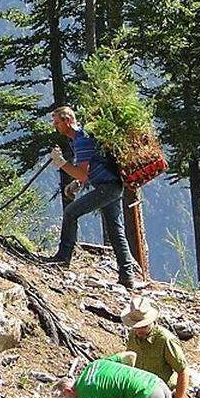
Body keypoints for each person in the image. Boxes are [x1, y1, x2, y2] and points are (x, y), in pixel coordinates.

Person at [44, 106, 142, 288]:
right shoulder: (79, 139)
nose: (55, 127)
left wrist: (61, 164)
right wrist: (77, 184)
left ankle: (63, 258)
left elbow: (83, 174)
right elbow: (90, 169)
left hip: (107, 188)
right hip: (113, 186)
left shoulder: (81, 140)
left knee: (71, 212)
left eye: (57, 123)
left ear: (67, 121)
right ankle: (127, 277)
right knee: (116, 230)